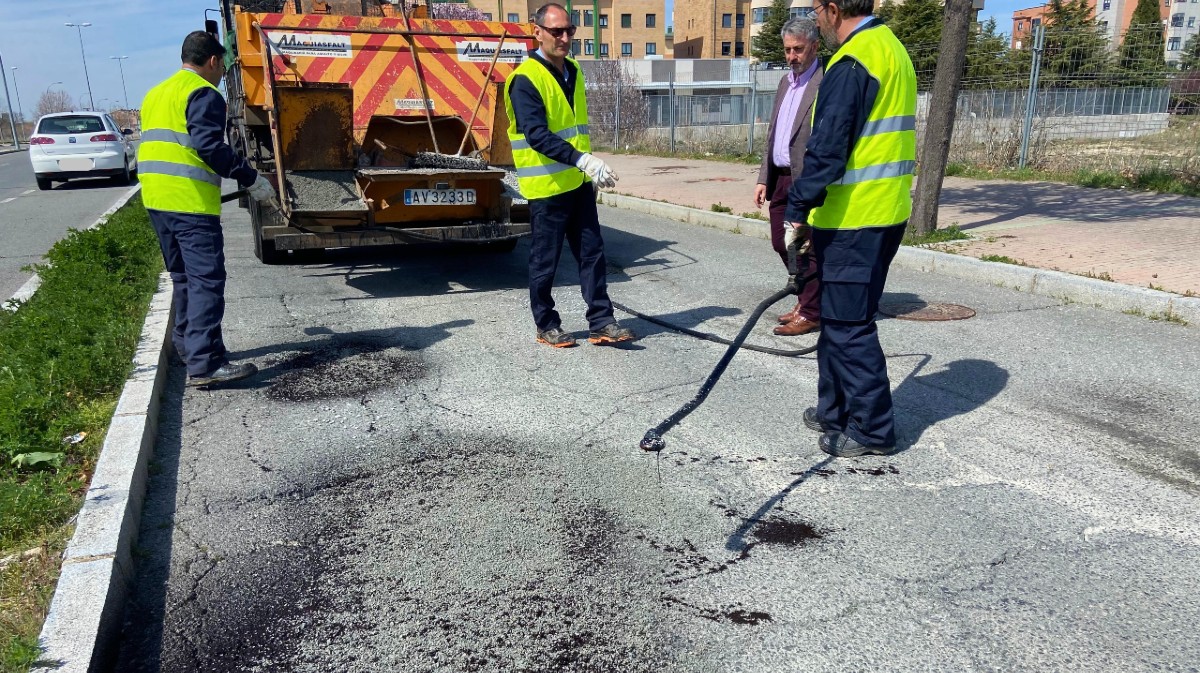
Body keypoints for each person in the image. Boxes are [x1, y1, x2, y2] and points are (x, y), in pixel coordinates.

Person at [784, 0, 917, 457]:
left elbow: (829, 148)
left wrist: (798, 208)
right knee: (837, 322)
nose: (816, 17)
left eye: (817, 9)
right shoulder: (889, 47)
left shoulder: (854, 60)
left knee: (849, 326)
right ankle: (833, 411)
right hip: (882, 213)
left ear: (833, 8)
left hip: (855, 219)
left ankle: (872, 430)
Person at [139, 31, 276, 386]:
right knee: (206, 281)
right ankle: (206, 364)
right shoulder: (204, 93)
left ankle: (187, 347)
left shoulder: (157, 93)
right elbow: (210, 147)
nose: (222, 74)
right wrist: (250, 177)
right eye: (222, 66)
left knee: (184, 278)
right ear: (213, 61)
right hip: (189, 204)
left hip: (158, 201)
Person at [503, 3, 635, 348]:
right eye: (556, 31)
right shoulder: (524, 80)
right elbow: (537, 135)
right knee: (545, 261)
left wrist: (585, 166)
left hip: (577, 184)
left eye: (569, 31)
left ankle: (601, 321)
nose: (564, 37)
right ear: (537, 32)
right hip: (547, 187)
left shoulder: (573, 70)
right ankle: (546, 324)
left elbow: (573, 128)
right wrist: (584, 160)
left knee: (593, 253)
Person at [753, 17, 824, 337]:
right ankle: (806, 300)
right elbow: (774, 133)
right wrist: (763, 178)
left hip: (805, 179)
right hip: (780, 178)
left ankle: (812, 311)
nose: (792, 56)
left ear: (815, 47)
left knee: (801, 245)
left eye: (798, 49)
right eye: (787, 50)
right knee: (780, 243)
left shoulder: (825, 82)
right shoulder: (785, 82)